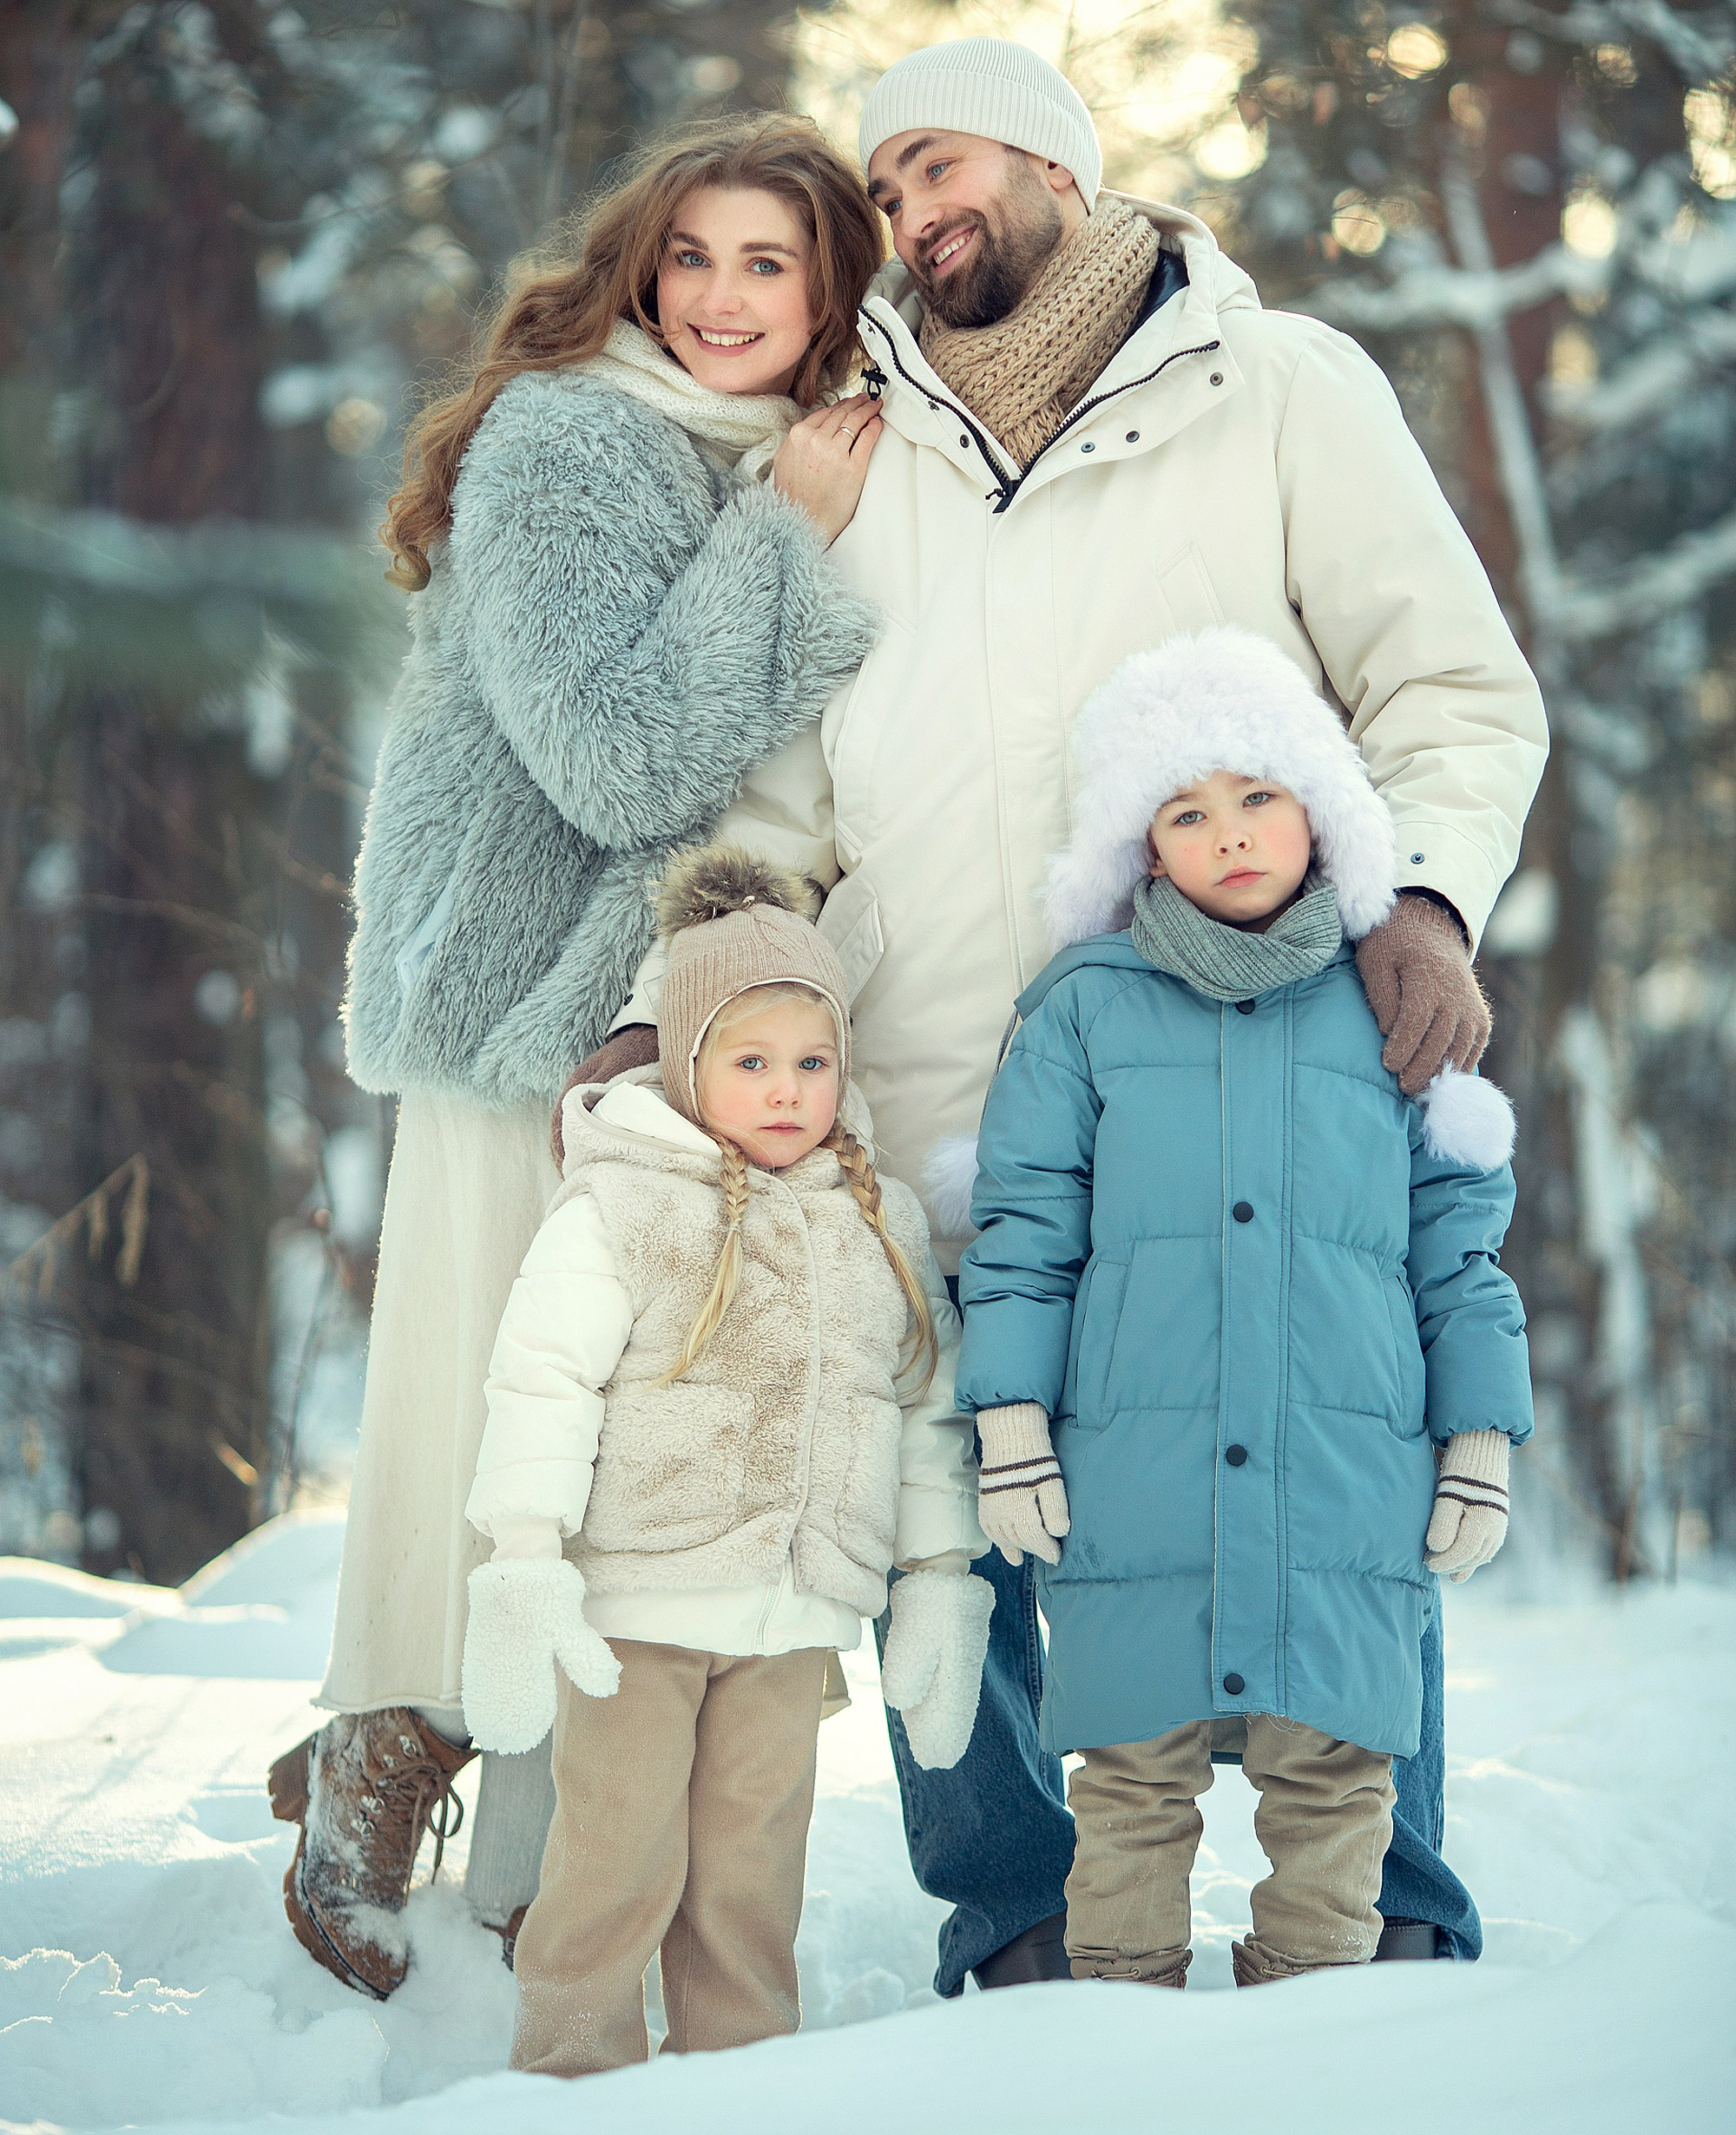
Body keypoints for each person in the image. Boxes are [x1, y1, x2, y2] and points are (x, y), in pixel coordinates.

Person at [585, 39, 1549, 1986]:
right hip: (941, 1069)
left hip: (1261, 1070)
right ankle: (1022, 1920)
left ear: (1053, 158)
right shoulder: (858, 452)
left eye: (938, 157)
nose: (911, 205)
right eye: (888, 181)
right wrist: (669, 1004)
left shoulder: (1274, 391)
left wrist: (1427, 901)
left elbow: (1449, 692)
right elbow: (772, 809)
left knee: (1326, 1479)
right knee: (955, 1501)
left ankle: (1390, 1926)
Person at [268, 115, 889, 1998]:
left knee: (613, 1445)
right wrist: (784, 534)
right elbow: (615, 757)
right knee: (478, 1407)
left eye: (768, 266)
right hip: (521, 1014)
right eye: (689, 258)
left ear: (830, 293)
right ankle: (380, 1757)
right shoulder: (566, 443)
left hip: (675, 1027)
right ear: (637, 269)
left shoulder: (787, 452)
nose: (720, 299)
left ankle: (538, 1867)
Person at [954, 627, 1533, 1988]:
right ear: (1142, 846)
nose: (1229, 834)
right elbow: (1025, 1231)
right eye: (1187, 810)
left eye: (1258, 795)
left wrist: (1481, 1437)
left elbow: (1461, 1248)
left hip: (1345, 1481)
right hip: (1133, 1481)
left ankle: (1312, 2026)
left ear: (1323, 808)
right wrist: (1013, 1420)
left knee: (1337, 1779)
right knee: (1130, 1783)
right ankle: (1118, 2020)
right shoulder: (1082, 1012)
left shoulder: (1393, 1005)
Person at [458, 847, 989, 2074]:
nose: (788, 1089)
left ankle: (745, 2079)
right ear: (687, 1063)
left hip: (791, 1620)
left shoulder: (875, 1222)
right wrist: (523, 1558)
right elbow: (542, 1381)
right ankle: (572, 2074)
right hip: (635, 1614)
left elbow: (922, 1406)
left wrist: (942, 1574)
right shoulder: (622, 1204)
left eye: (812, 1062)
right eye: (751, 1063)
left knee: (753, 1868)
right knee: (615, 1854)